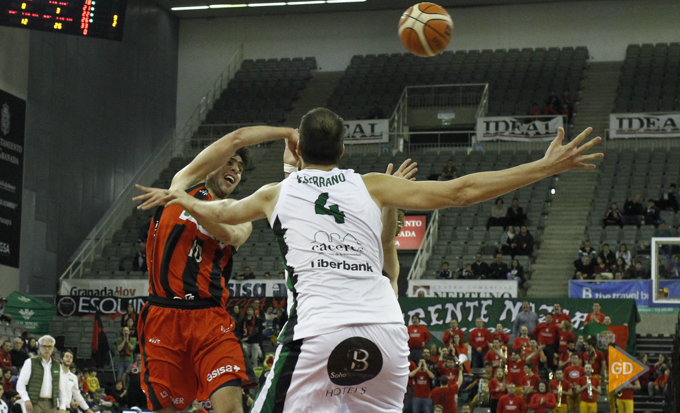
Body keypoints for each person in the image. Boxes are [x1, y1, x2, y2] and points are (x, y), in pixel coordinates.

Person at [134, 109, 601, 412]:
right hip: (387, 335)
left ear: (299, 152)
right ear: (343, 152)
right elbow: (462, 191)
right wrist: (545, 167)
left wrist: (181, 198)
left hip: (319, 332)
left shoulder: (275, 193)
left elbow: (223, 214)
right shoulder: (372, 185)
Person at [132, 125, 299, 413]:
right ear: (211, 165)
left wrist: (187, 203)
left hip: (209, 318)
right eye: (230, 161)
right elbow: (237, 138)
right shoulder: (182, 184)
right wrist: (287, 132)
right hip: (163, 316)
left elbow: (231, 236)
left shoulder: (238, 211)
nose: (235, 169)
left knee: (231, 407)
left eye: (241, 168)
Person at [16, 335, 60, 413]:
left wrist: (62, 404)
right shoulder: (30, 362)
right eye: (44, 346)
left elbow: (60, 386)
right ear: (39, 347)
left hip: (51, 404)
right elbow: (20, 384)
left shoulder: (57, 365)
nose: (47, 349)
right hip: (35, 403)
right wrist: (26, 399)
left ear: (53, 348)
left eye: (49, 346)